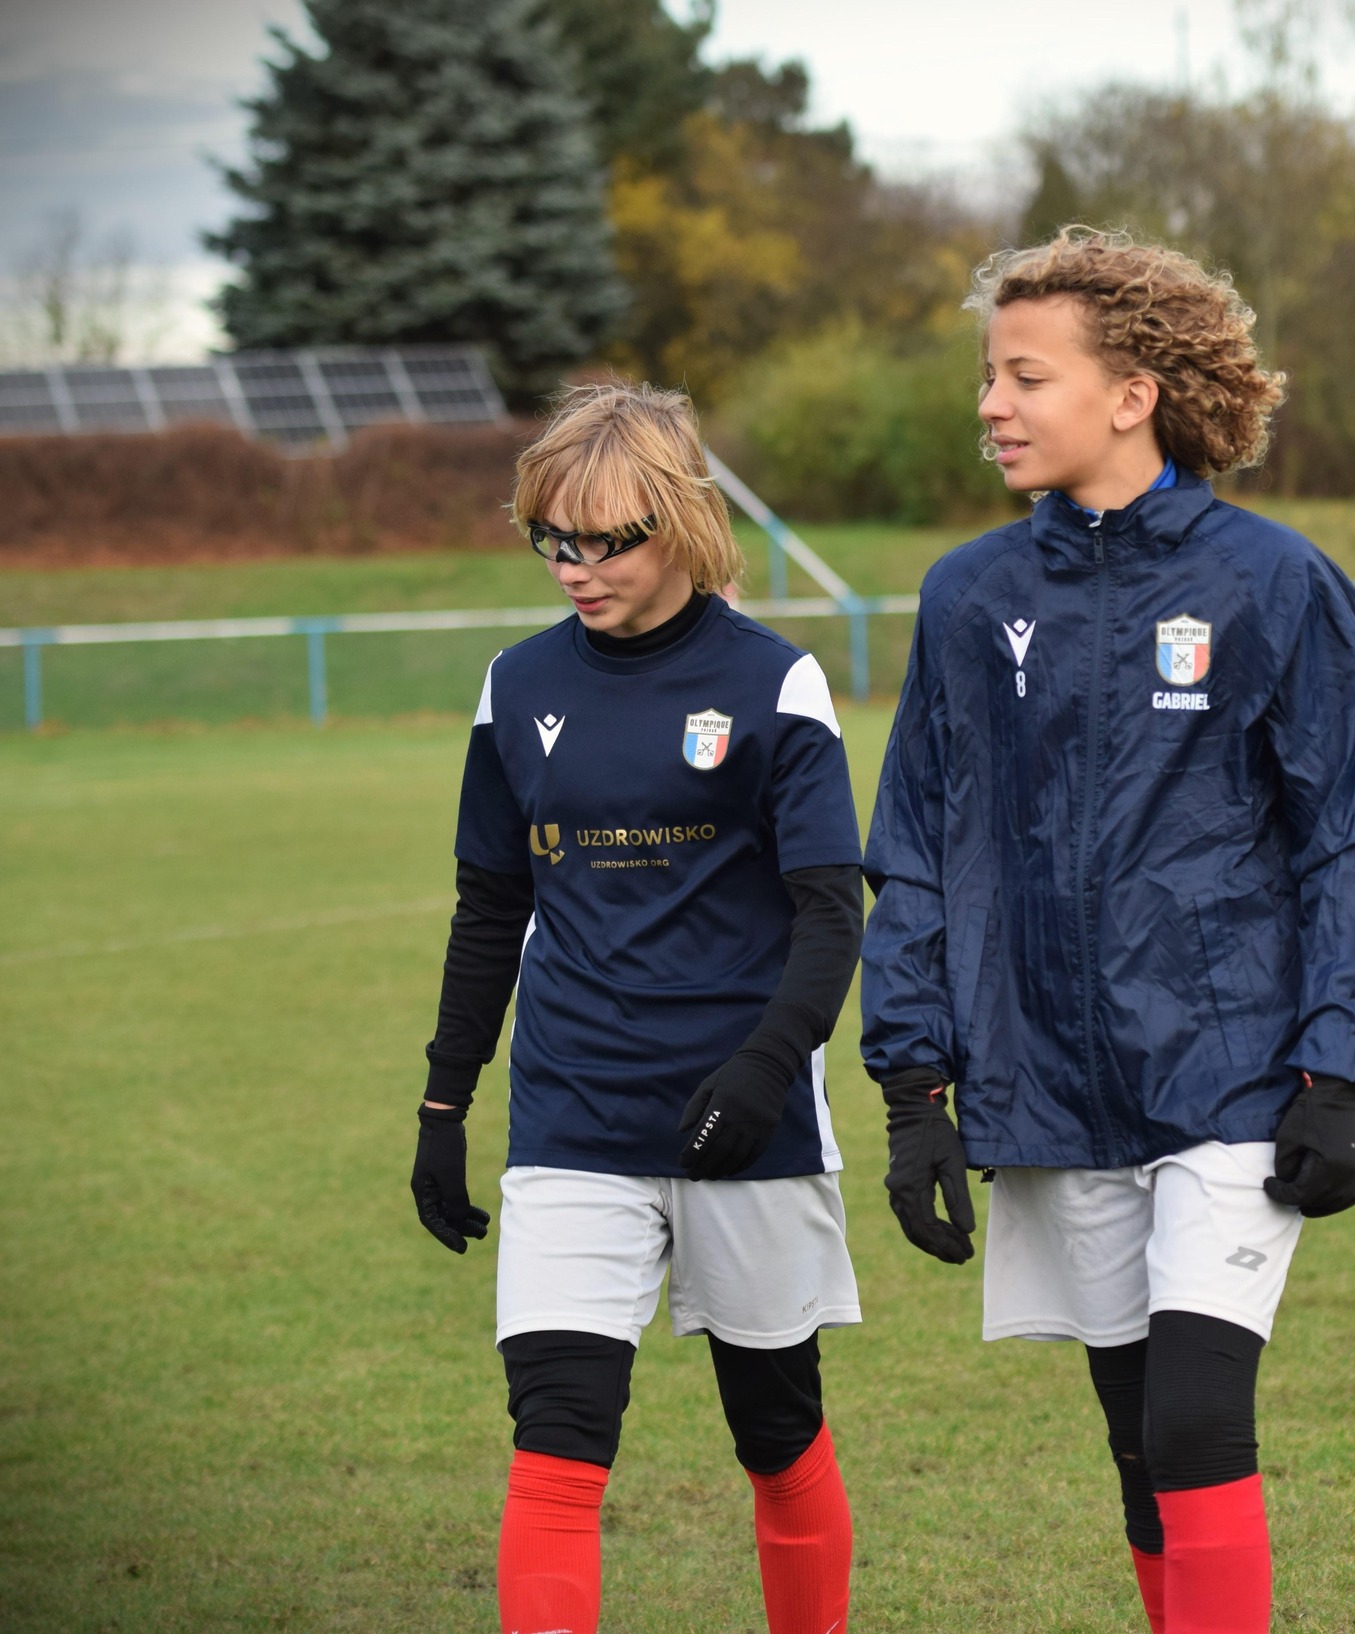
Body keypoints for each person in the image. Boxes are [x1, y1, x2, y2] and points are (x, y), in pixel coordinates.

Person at [861, 228, 1355, 1634]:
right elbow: (920, 846)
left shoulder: (1272, 583)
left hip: (1232, 1069)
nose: (991, 403)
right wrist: (913, 1087)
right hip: (1048, 1080)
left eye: (1024, 376)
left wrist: (1339, 1071)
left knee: (1192, 1423)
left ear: (1132, 394)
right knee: (1132, 1442)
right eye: (989, 375)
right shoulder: (967, 597)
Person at [409, 380, 865, 1634]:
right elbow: (488, 907)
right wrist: (444, 1104)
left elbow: (832, 911)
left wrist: (765, 1069)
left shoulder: (777, 683)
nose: (574, 566)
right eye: (551, 537)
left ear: (679, 520)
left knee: (776, 1433)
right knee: (556, 1438)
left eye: (606, 539)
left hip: (747, 1120)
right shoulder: (515, 687)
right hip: (573, 1118)